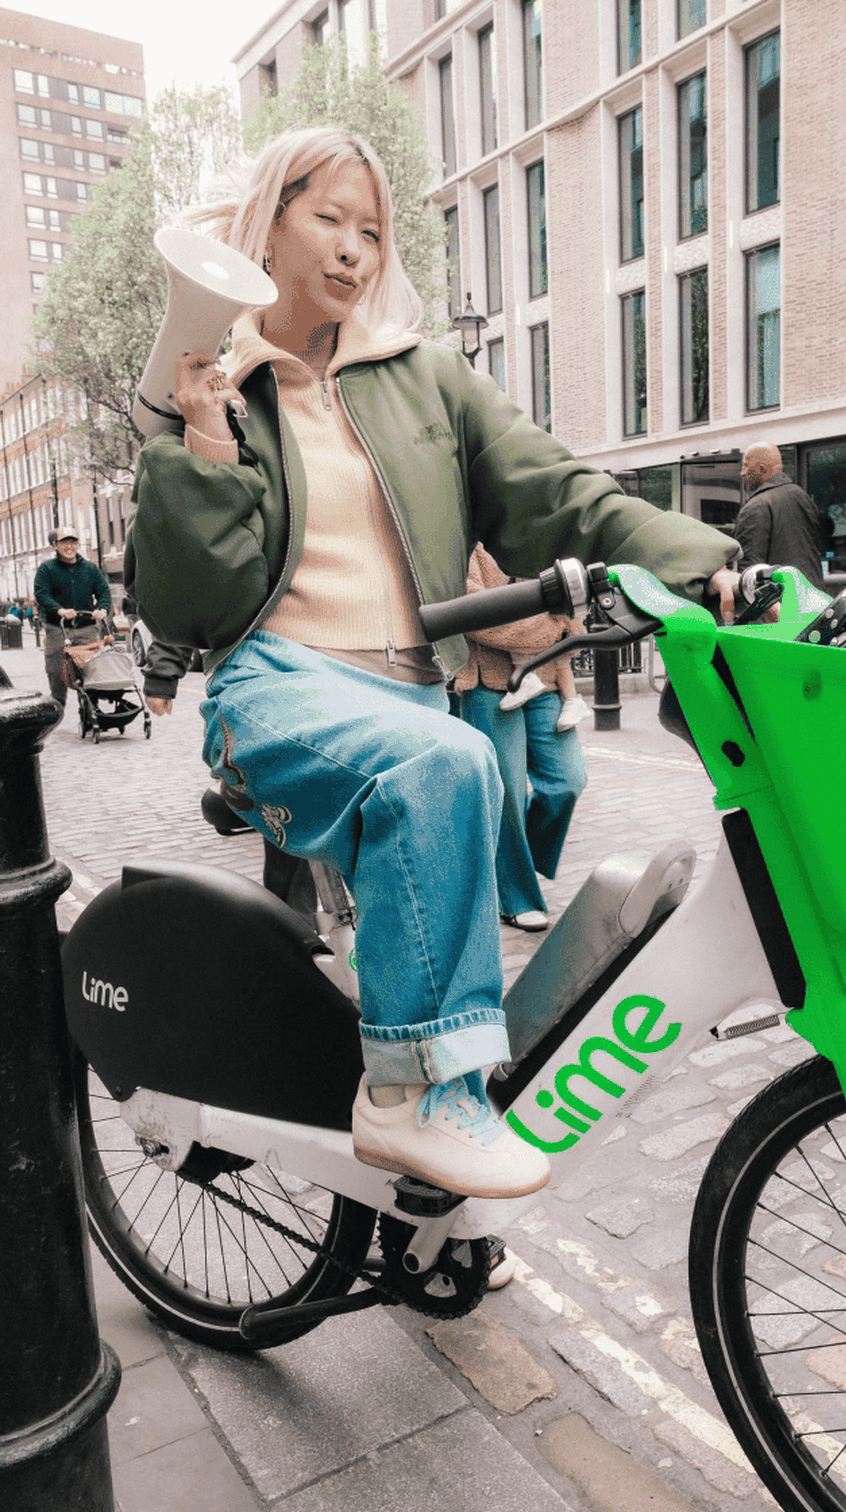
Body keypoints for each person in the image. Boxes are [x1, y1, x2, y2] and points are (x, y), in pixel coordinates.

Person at [125, 126, 742, 1200]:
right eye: (328, 219)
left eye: (373, 230)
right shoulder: (213, 388)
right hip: (276, 686)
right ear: (267, 221)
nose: (356, 250)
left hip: (411, 689)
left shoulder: (425, 378)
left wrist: (705, 565)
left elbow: (561, 493)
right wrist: (208, 446)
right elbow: (187, 606)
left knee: (436, 825)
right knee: (448, 768)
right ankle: (412, 1101)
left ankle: (430, 1215)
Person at [454, 544, 587, 933]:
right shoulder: (467, 547)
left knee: (567, 782)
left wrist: (567, 622)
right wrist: (555, 626)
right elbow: (479, 617)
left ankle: (513, 862)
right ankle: (517, 897)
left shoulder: (538, 540)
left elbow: (574, 613)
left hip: (546, 683)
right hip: (489, 683)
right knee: (508, 792)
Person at [732, 444, 831, 589]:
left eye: (746, 466)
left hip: (781, 604)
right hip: (814, 597)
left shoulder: (755, 507)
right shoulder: (802, 497)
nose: (742, 473)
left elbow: (749, 572)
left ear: (762, 469)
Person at [34, 526, 111, 708]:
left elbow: (104, 592)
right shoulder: (47, 569)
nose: (69, 546)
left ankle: (90, 710)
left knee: (90, 669)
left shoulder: (90, 569)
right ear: (55, 545)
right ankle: (58, 704)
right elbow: (41, 594)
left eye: (73, 541)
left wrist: (103, 609)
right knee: (56, 669)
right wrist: (59, 609)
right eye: (64, 542)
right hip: (58, 628)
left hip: (87, 627)